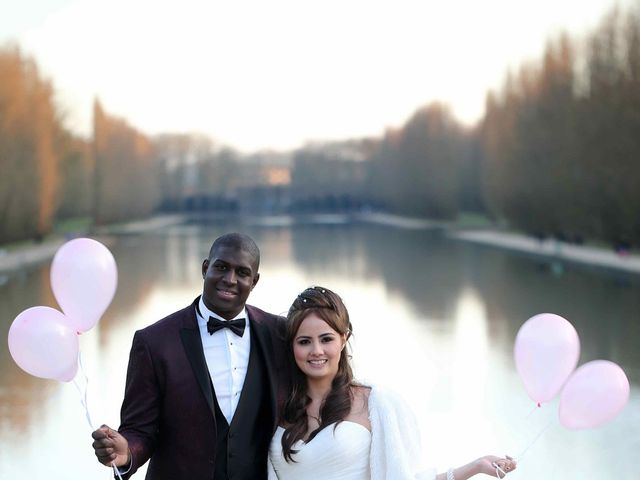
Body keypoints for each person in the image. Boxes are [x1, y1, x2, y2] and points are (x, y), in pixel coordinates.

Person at [92, 232, 289, 480]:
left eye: (242, 273)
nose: (230, 279)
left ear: (255, 281)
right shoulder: (154, 342)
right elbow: (139, 429)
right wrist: (126, 453)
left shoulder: (279, 334)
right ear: (205, 268)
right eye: (221, 267)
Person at [268, 286, 517, 480]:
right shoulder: (278, 406)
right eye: (304, 342)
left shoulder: (377, 403)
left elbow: (407, 477)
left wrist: (474, 467)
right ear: (292, 346)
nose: (316, 350)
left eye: (326, 339)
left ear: (343, 339)